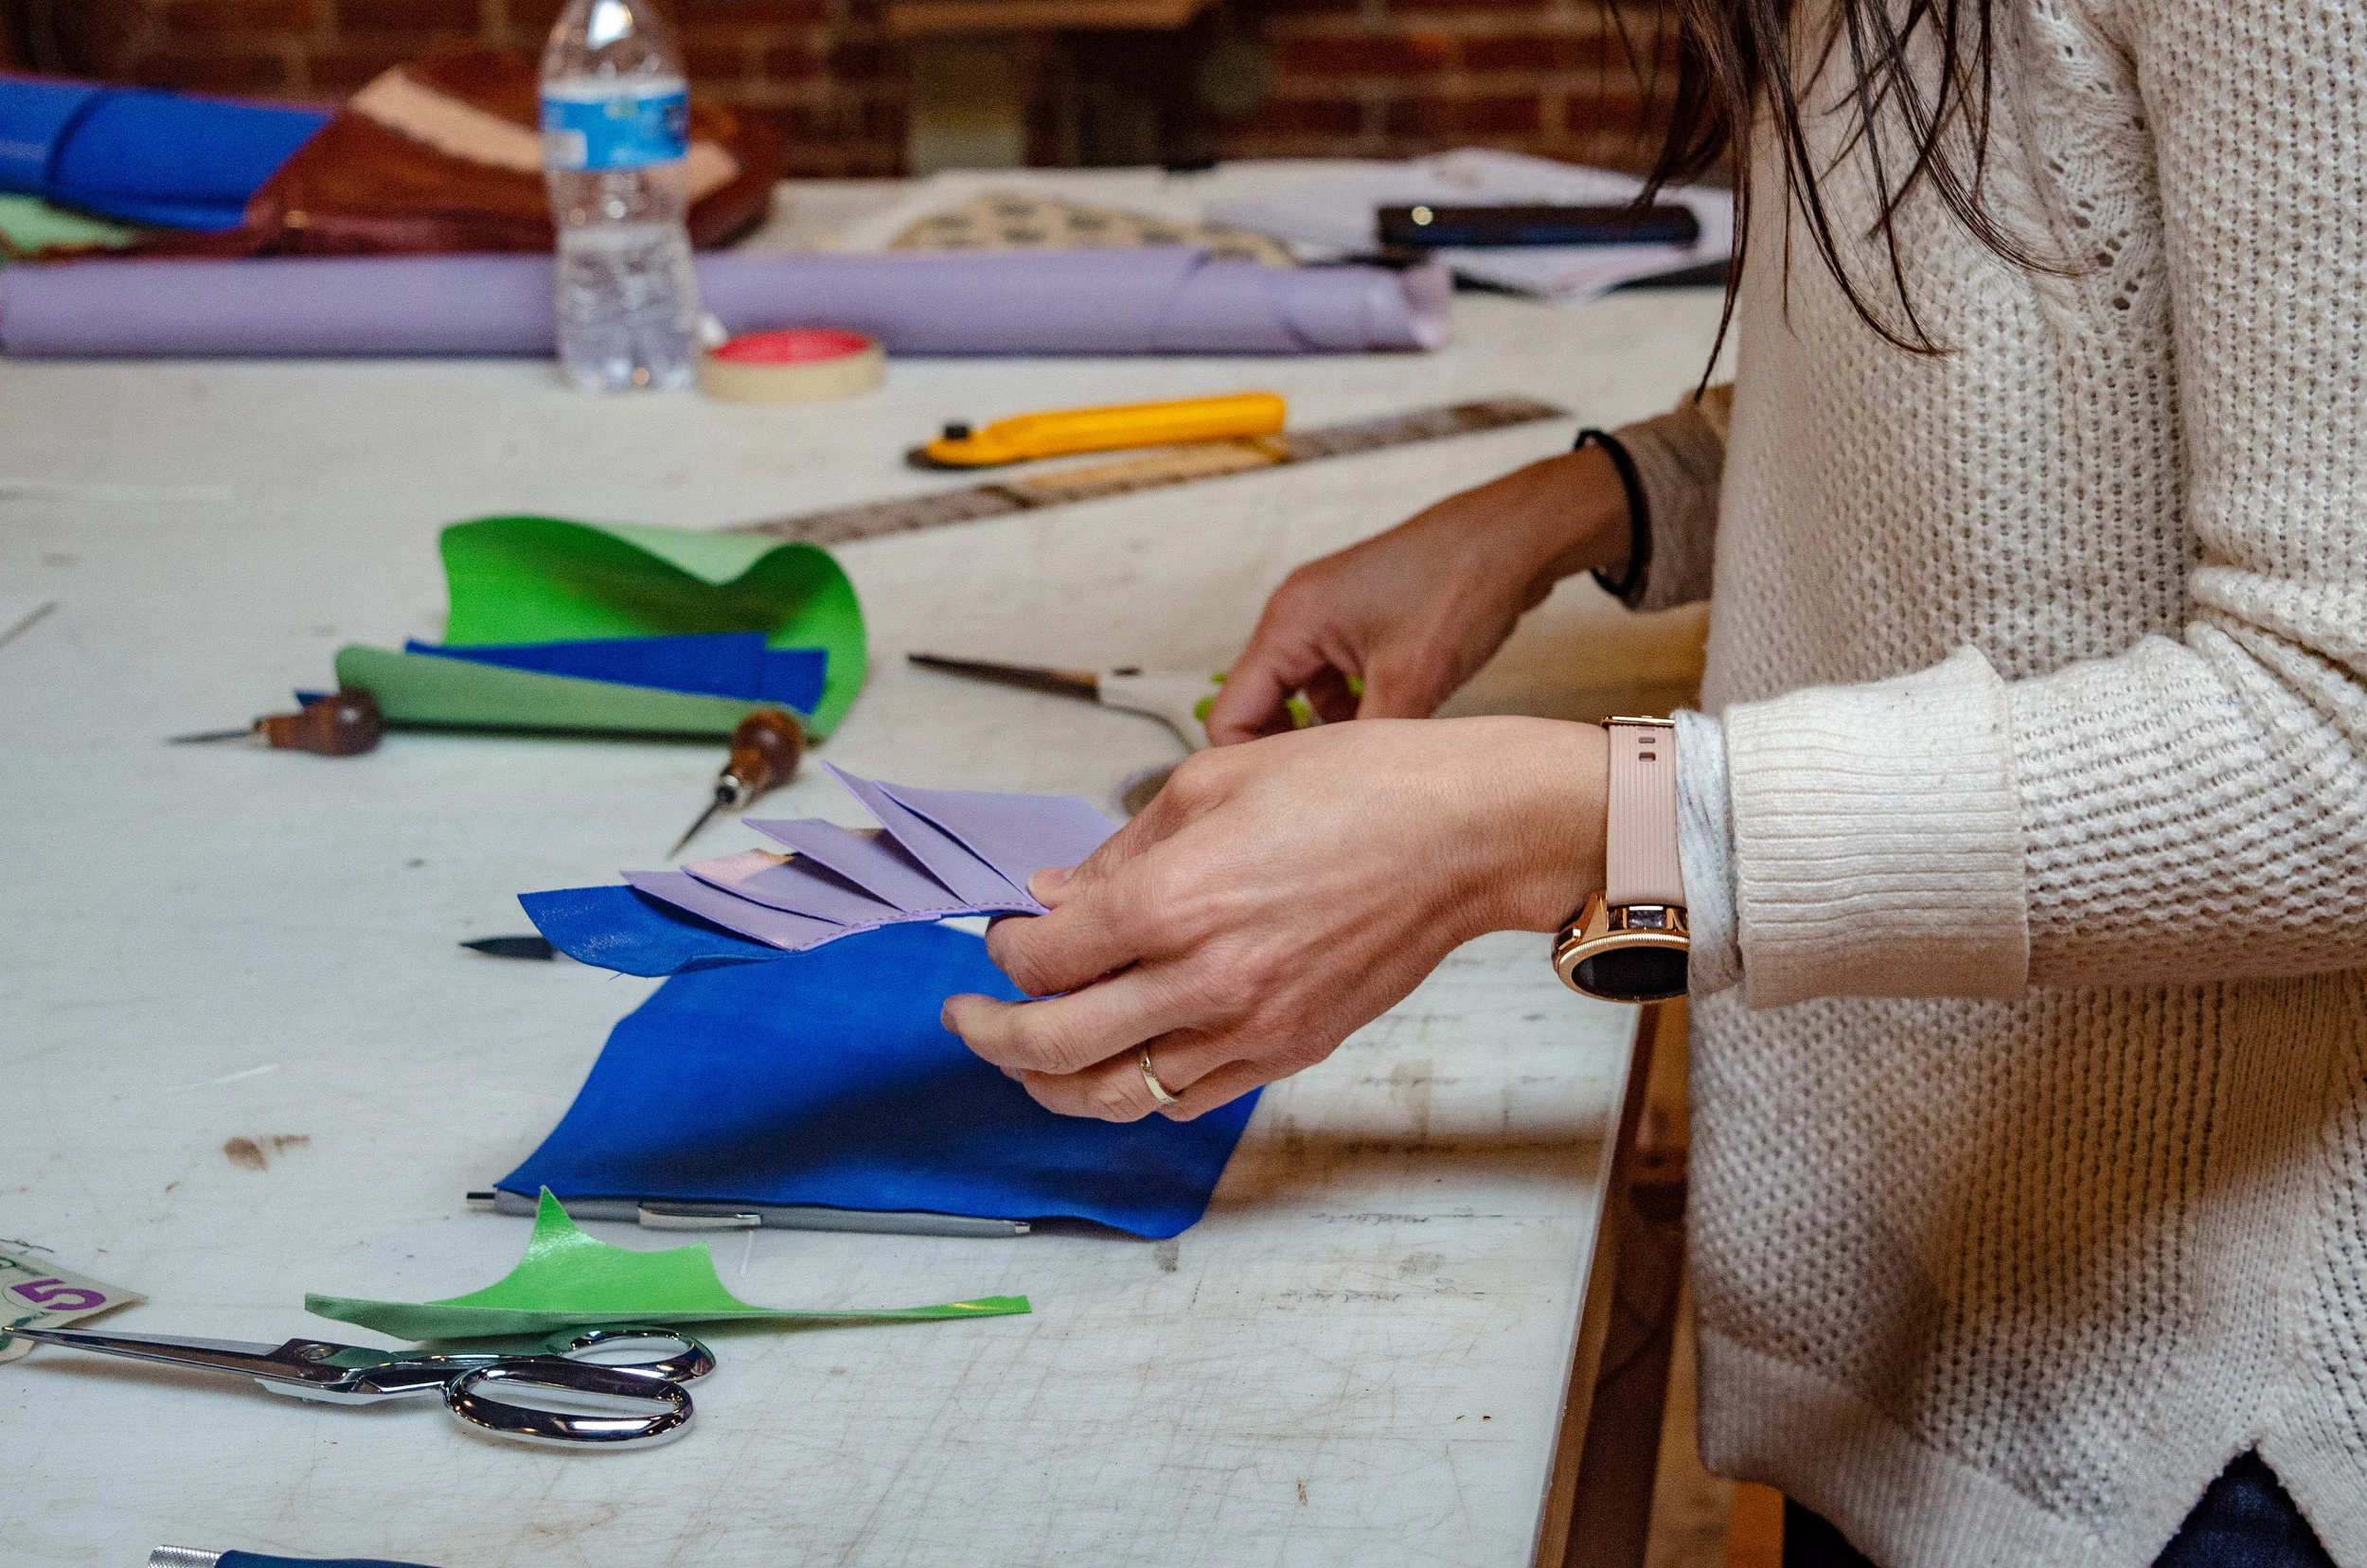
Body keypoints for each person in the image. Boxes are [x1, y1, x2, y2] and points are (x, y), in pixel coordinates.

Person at [942, 0, 2367, 1562]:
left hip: (2203, 1419)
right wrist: (1585, 506)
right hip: (1937, 1283)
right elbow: (2030, 385)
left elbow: (2337, 742)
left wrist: (1551, 824)